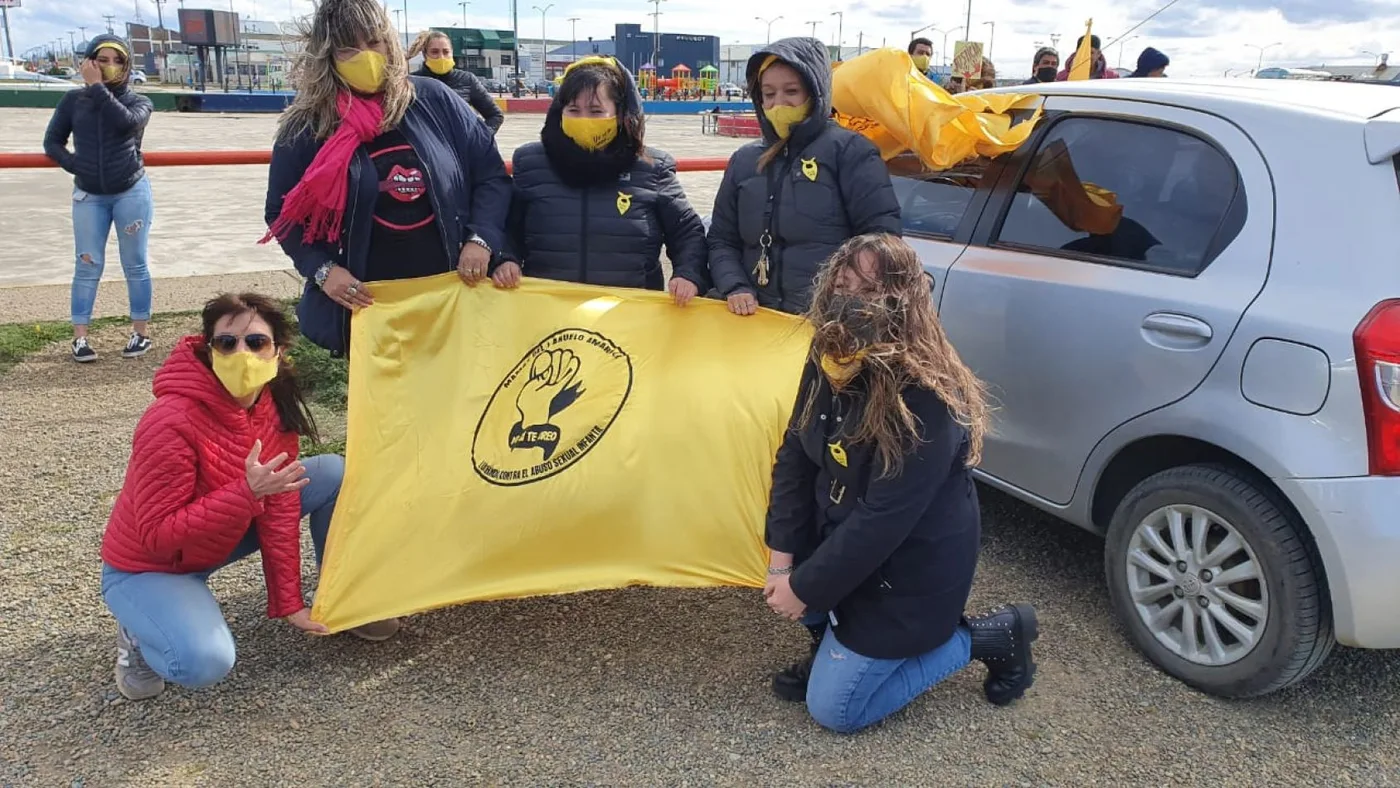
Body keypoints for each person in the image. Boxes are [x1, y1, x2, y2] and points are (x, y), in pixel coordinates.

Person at [760, 234, 1039, 733]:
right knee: (789, 566)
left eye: (870, 292)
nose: (851, 302)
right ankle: (829, 641)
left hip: (908, 569)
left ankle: (989, 637)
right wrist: (782, 560)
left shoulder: (927, 393)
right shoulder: (830, 356)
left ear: (902, 300)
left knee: (836, 711)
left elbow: (885, 517)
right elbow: (795, 456)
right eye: (844, 285)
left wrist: (805, 585)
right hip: (843, 538)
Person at [99, 293, 399, 701]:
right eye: (227, 343)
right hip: (150, 565)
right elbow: (156, 535)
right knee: (204, 662)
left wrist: (290, 603)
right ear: (209, 350)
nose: (242, 352)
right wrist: (248, 492)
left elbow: (279, 506)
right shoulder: (168, 421)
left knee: (331, 472)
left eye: (256, 342)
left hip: (216, 536)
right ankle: (138, 633)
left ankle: (344, 595)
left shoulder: (272, 405)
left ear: (278, 351)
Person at [262, 0, 511, 356]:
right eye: (349, 49)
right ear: (327, 55)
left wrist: (482, 239)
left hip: (450, 301)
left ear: (391, 43)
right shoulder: (306, 127)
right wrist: (322, 271)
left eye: (375, 42)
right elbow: (280, 214)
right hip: (369, 313)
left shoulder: (436, 100)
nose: (366, 56)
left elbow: (491, 176)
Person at [707, 38, 901, 317]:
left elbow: (881, 236)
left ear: (815, 92)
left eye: (791, 92)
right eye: (769, 94)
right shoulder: (744, 160)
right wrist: (734, 286)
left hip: (826, 322)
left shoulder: (850, 151)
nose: (778, 104)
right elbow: (721, 238)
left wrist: (842, 300)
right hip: (753, 321)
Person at [491, 56, 709, 302]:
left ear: (620, 114)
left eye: (596, 111)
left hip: (629, 314)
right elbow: (504, 226)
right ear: (559, 112)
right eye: (573, 110)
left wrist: (688, 274)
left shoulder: (652, 168)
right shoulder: (530, 163)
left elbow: (688, 232)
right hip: (547, 313)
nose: (584, 119)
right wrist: (504, 258)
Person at [42, 34, 155, 364]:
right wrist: (77, 165)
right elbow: (52, 142)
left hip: (131, 192)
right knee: (87, 264)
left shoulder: (139, 102)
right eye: (102, 60)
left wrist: (96, 88)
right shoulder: (73, 101)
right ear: (90, 61)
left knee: (135, 264)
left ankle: (140, 332)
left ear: (127, 65)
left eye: (117, 60)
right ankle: (80, 338)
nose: (109, 66)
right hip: (89, 195)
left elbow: (125, 123)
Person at [406, 29, 506, 135]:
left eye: (446, 52)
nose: (441, 57)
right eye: (435, 52)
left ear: (452, 53)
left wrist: (480, 139)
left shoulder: (467, 80)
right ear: (425, 54)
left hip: (460, 150)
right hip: (425, 148)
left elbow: (495, 115)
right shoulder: (411, 81)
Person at [1056, 35, 1120, 80]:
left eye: (1091, 53)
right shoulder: (1061, 77)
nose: (1086, 56)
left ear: (1098, 54)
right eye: (1082, 52)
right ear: (1076, 53)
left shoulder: (1111, 77)